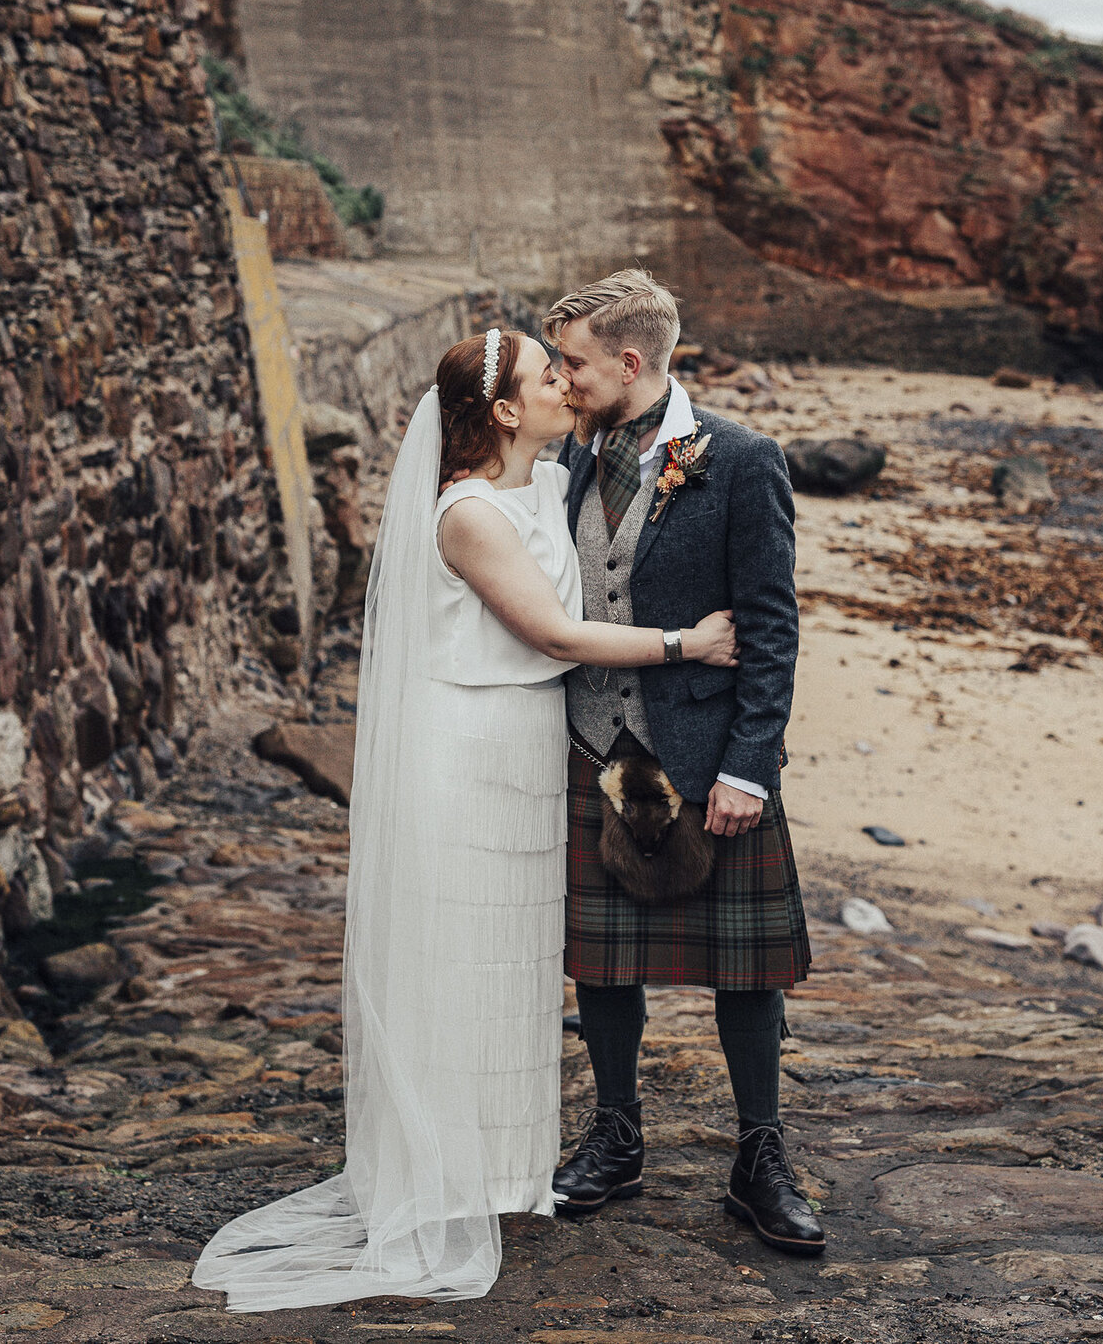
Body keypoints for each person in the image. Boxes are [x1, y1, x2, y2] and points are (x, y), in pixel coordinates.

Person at [194, 327, 737, 1312]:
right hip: (468, 752)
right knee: (457, 956)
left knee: (509, 962)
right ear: (499, 411)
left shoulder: (539, 484)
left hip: (525, 757)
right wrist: (685, 642)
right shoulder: (471, 512)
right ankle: (441, 1181)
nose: (562, 389)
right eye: (544, 378)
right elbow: (553, 631)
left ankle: (492, 1171)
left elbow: (626, 429)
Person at [543, 270, 823, 1256]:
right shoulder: (565, 460)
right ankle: (615, 1134)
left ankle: (760, 1155)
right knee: (600, 963)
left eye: (573, 362)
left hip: (703, 755)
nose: (560, 379)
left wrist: (751, 763)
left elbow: (772, 626)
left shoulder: (742, 460)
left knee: (744, 973)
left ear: (631, 362)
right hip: (591, 743)